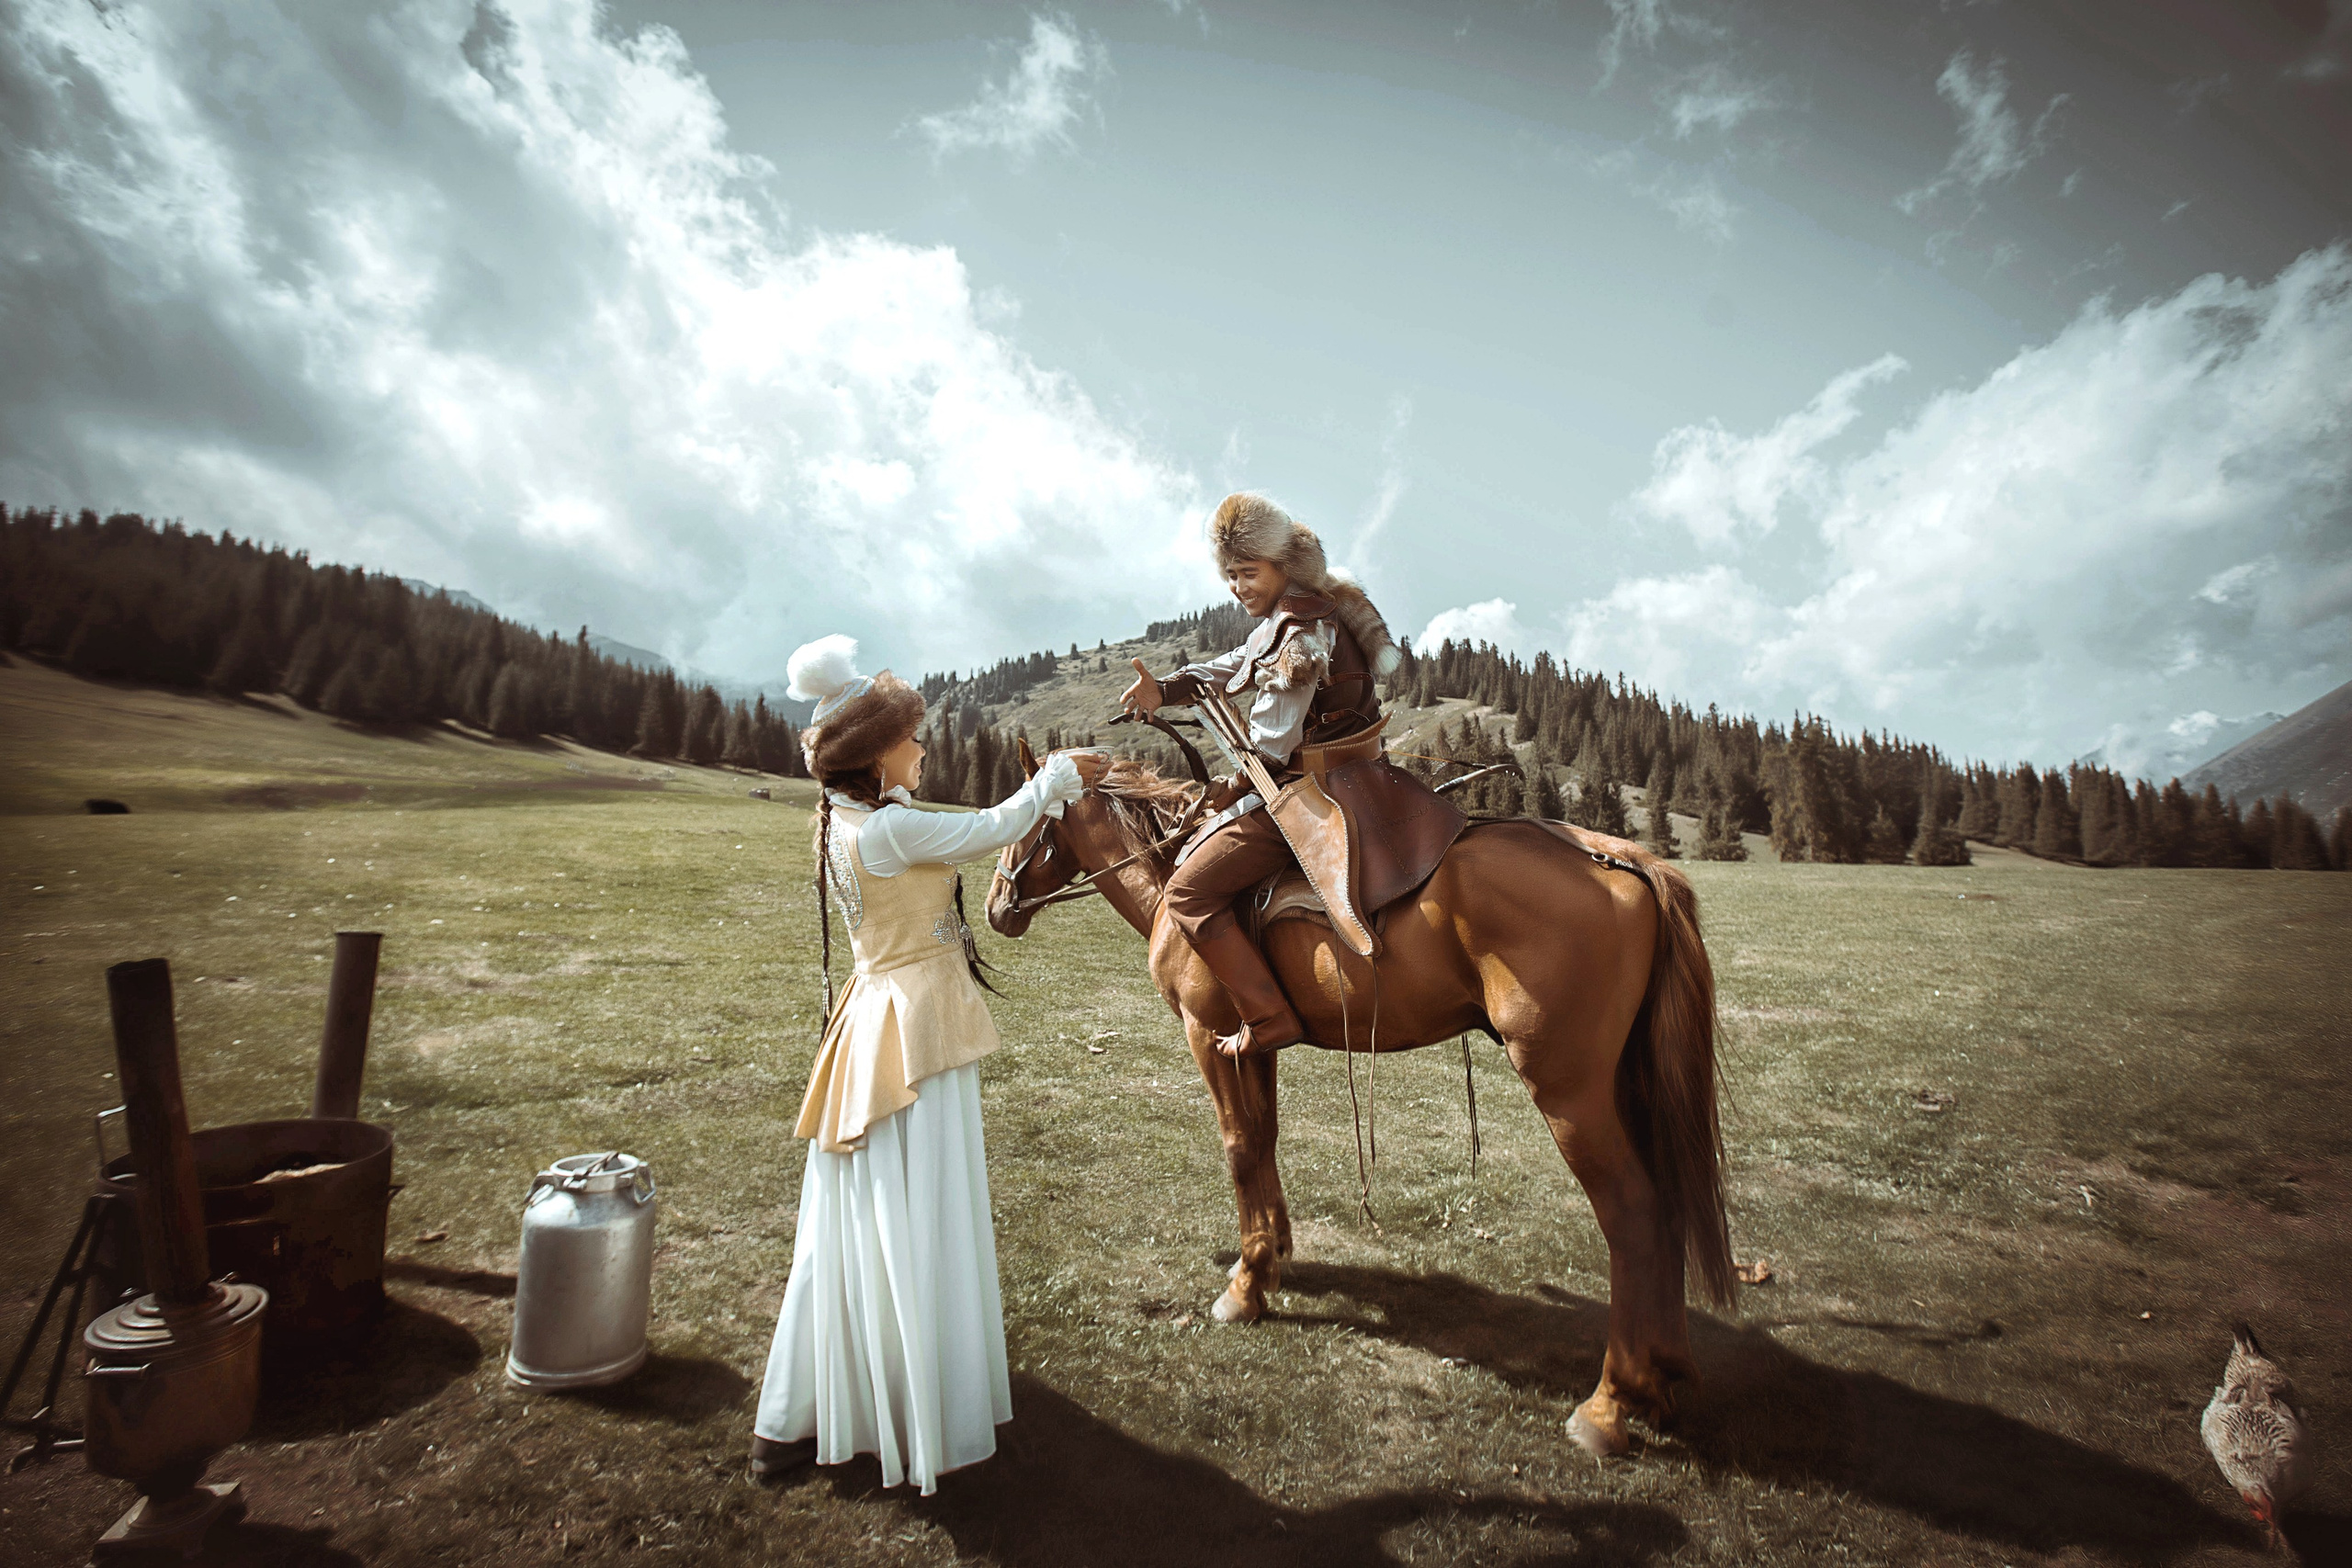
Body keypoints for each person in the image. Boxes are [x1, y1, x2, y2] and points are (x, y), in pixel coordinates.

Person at [750, 634, 1110, 1493]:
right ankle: (920, 1408)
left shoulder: (848, 820)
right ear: (874, 755)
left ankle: (831, 1404)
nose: (922, 746)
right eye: (909, 737)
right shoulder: (889, 829)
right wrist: (1051, 784)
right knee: (923, 1202)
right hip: (914, 1028)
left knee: (865, 1215)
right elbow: (990, 831)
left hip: (881, 1017)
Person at [1120, 492, 1403, 1057]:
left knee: (1188, 890)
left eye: (1248, 572)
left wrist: (1235, 784)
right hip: (1367, 780)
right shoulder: (1302, 613)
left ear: (1282, 567)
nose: (1238, 587)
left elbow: (1273, 744)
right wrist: (1167, 689)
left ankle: (1270, 1017)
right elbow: (1234, 663)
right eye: (1230, 575)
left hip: (1317, 794)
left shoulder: (1298, 634)